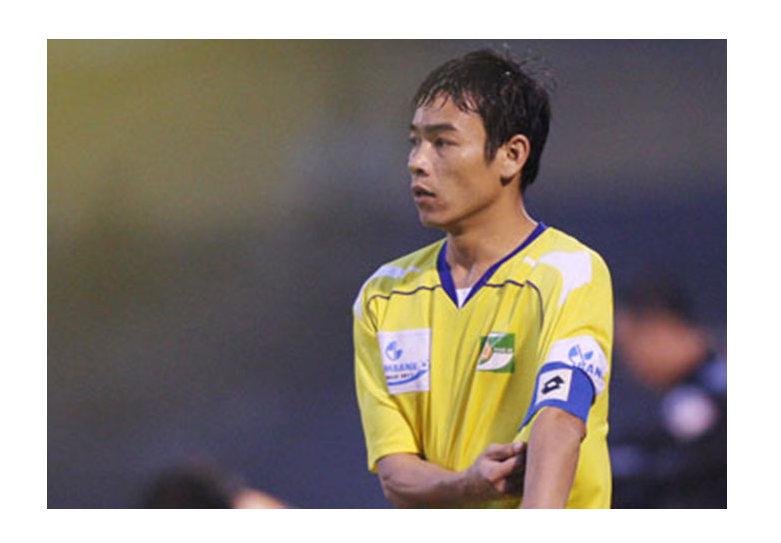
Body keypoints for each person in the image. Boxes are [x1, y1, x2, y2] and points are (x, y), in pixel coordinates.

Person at [353, 49, 614, 508]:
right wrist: (469, 485)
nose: (417, 162)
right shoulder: (383, 296)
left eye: (442, 143)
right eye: (414, 142)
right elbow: (396, 474)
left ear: (511, 156)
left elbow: (559, 421)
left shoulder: (568, 272)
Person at [610, 275, 726, 508]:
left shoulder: (710, 396)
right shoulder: (695, 390)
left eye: (629, 344)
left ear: (661, 329)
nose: (629, 361)